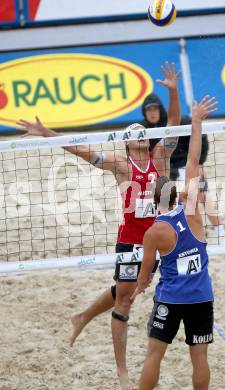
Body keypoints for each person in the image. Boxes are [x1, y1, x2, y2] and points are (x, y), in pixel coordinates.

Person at [17, 62, 181, 390]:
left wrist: (173, 91)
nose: (138, 135)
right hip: (132, 237)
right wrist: (48, 136)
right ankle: (122, 373)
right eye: (132, 134)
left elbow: (175, 122)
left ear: (147, 139)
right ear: (127, 142)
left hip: (159, 238)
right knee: (126, 299)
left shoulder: (160, 157)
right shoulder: (122, 165)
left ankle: (82, 316)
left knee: (131, 290)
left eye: (142, 133)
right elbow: (83, 152)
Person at [130, 95, 217, 390]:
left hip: (171, 299)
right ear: (176, 192)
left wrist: (140, 287)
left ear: (154, 201)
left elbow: (145, 274)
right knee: (200, 357)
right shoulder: (192, 211)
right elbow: (193, 160)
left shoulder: (154, 232)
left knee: (154, 355)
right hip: (202, 296)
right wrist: (196, 121)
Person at [141, 92, 225, 244]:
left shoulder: (179, 121)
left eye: (155, 109)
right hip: (168, 169)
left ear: (160, 109)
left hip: (188, 163)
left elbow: (200, 137)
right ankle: (174, 234)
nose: (153, 112)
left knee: (202, 194)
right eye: (149, 110)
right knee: (165, 201)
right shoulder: (144, 130)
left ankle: (220, 231)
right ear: (145, 112)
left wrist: (200, 162)